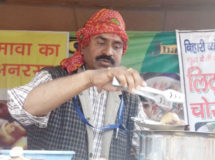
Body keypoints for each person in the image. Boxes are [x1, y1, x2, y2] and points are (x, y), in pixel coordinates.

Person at [7, 9, 145, 160]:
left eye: (116, 46)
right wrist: (90, 78)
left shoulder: (130, 97)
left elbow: (145, 146)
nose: (109, 51)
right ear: (83, 47)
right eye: (101, 42)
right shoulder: (54, 77)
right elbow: (20, 108)